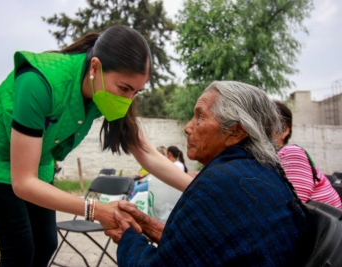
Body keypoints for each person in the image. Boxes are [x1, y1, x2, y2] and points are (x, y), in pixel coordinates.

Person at [0, 25, 192, 266]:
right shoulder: (39, 84)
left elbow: (146, 153)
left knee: (46, 244)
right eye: (124, 88)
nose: (128, 99)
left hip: (37, 159)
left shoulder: (106, 89)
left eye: (136, 91)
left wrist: (201, 186)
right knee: (20, 249)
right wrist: (97, 210)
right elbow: (24, 182)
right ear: (96, 67)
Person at [105, 81, 310, 266]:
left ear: (235, 132)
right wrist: (152, 227)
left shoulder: (221, 183)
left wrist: (128, 238)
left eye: (200, 116)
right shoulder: (263, 174)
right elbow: (211, 247)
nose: (187, 127)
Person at [274, 101, 342, 208]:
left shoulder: (290, 153)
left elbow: (295, 206)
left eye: (266, 124)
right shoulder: (270, 158)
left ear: (285, 130)